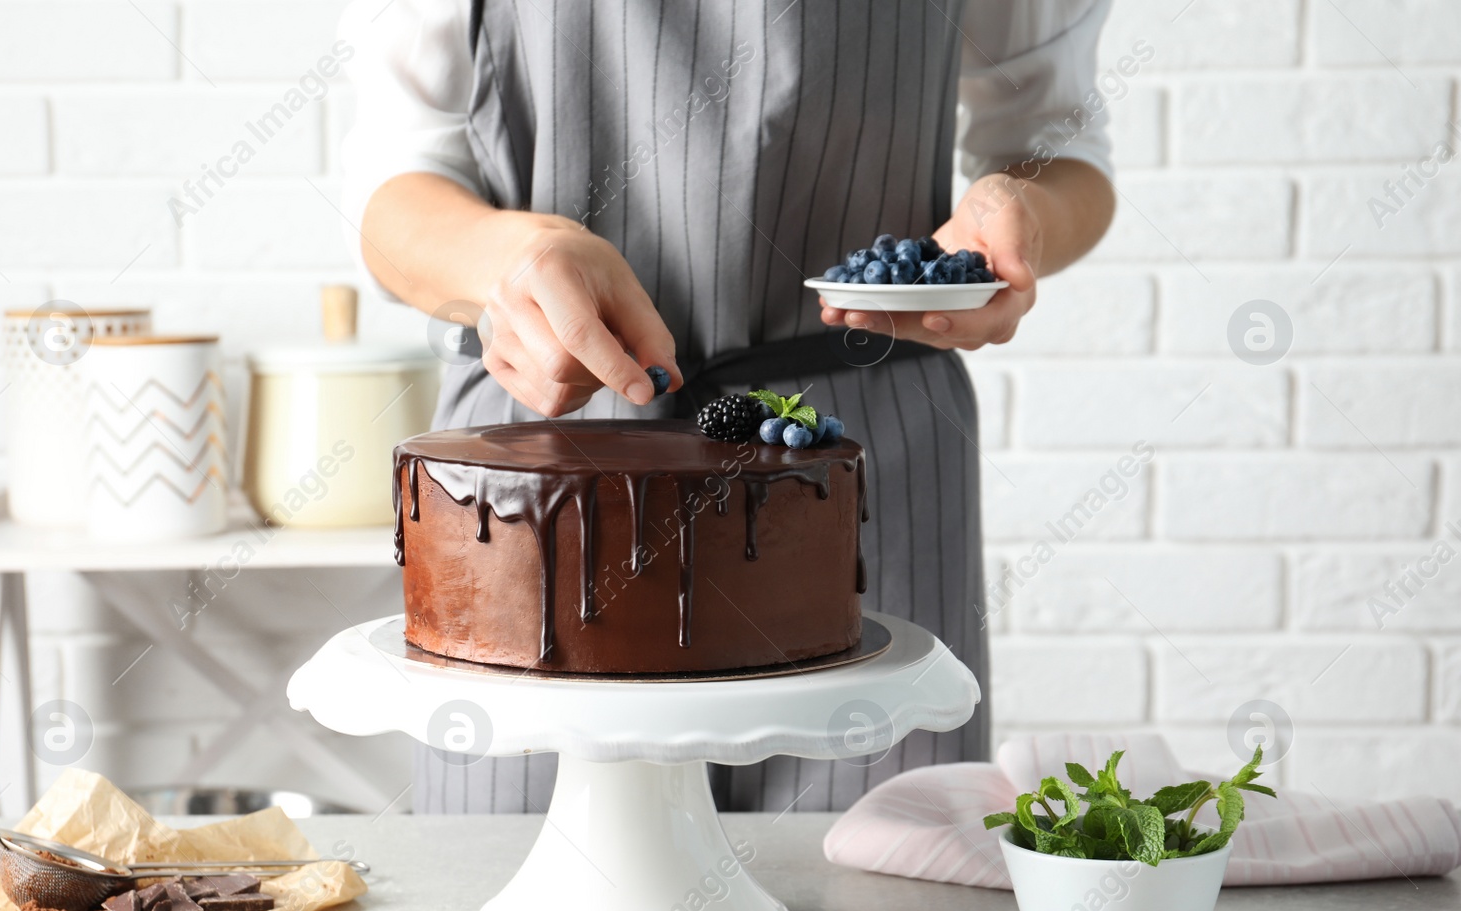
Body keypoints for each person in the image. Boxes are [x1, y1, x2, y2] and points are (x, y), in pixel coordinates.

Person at [341, 0, 1117, 814]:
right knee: (531, 901)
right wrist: (507, 257)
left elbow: (1056, 144)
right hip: (547, 446)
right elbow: (395, 187)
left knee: (885, 901)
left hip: (853, 454)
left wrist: (1021, 215)